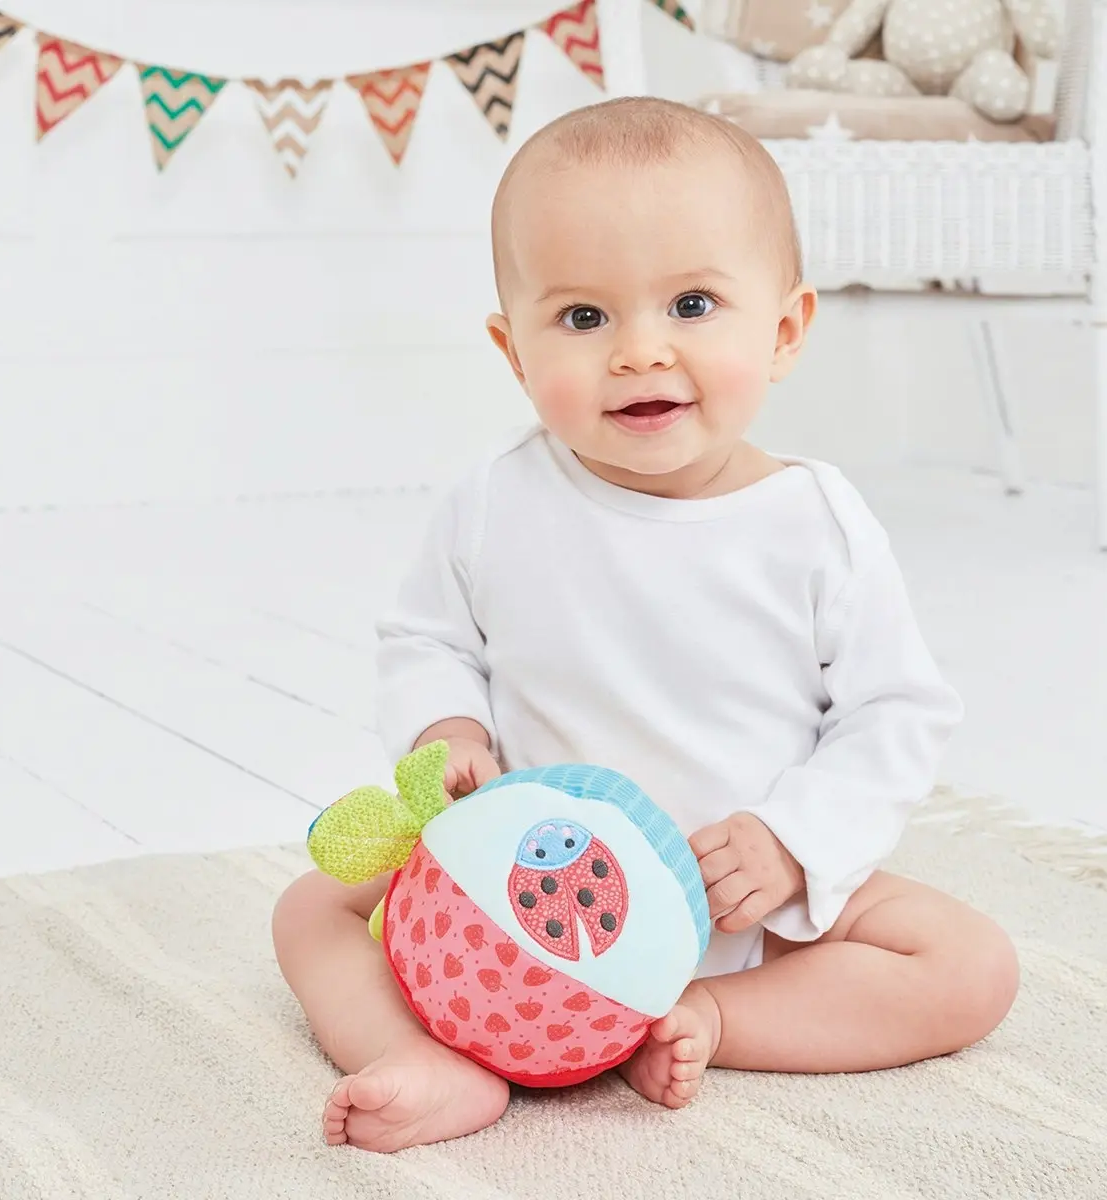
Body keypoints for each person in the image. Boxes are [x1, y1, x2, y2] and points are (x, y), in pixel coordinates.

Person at [272, 96, 1019, 1154]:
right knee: (312, 907)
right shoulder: (496, 503)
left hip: (737, 915)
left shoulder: (813, 523)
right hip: (519, 909)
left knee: (968, 963)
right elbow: (428, 641)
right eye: (584, 318)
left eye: (694, 304)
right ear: (513, 349)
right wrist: (448, 733)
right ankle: (428, 1054)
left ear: (786, 328)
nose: (639, 352)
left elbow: (894, 711)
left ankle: (709, 1021)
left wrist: (795, 843)